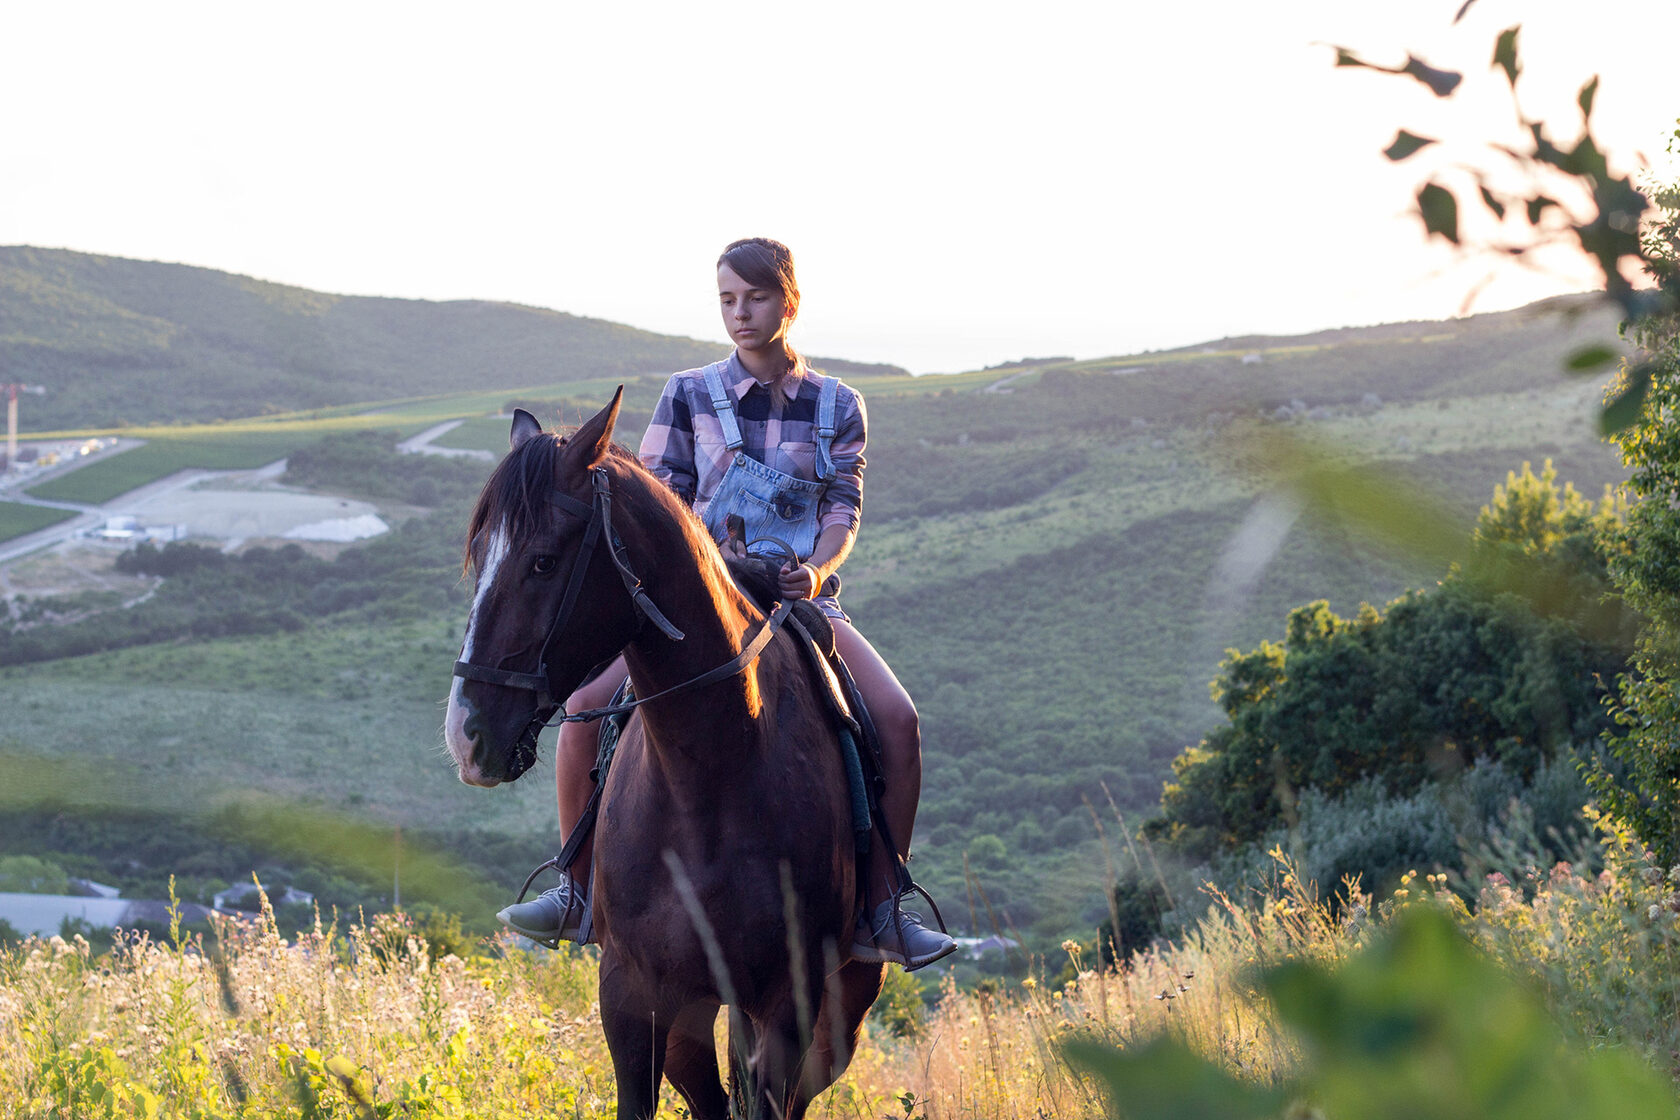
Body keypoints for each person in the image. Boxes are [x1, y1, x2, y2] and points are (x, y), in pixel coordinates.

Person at [498, 237, 956, 970]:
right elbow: (655, 496)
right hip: (693, 607)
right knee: (583, 714)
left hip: (796, 604)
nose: (741, 314)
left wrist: (814, 569)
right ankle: (578, 893)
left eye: (758, 298)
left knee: (898, 721)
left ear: (790, 301)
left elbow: (844, 509)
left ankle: (881, 905)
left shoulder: (840, 404)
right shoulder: (687, 392)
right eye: (728, 300)